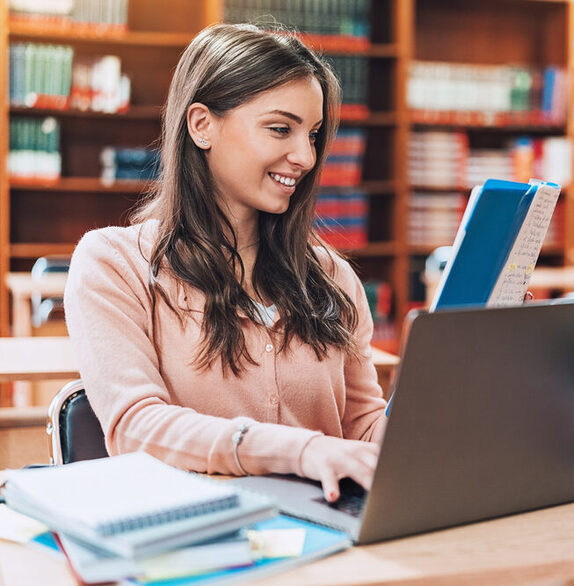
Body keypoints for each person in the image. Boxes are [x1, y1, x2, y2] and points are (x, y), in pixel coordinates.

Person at [63, 23, 387, 503]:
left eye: (314, 134)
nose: (305, 156)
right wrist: (300, 451)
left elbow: (362, 428)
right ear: (201, 125)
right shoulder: (113, 264)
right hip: (198, 547)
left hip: (330, 538)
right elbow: (135, 426)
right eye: (281, 128)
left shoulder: (331, 277)